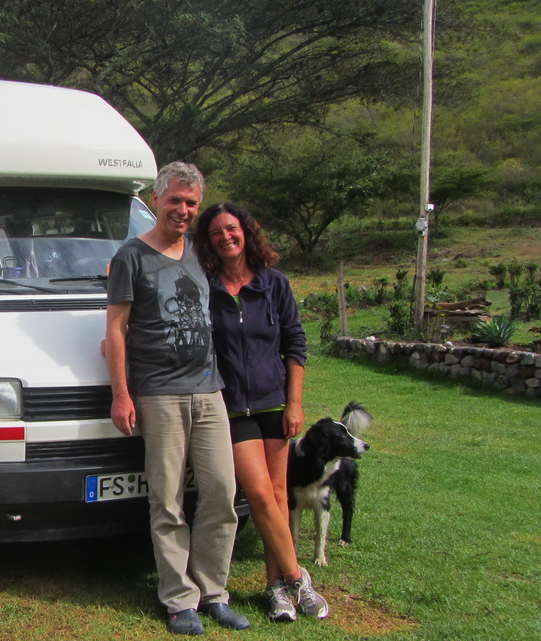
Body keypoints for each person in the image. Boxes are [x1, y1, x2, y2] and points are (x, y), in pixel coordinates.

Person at [105, 162, 248, 635]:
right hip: (159, 394)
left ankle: (213, 592)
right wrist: (121, 394)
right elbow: (116, 329)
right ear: (157, 198)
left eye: (191, 203)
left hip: (209, 391)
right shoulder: (131, 256)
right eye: (175, 201)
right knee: (166, 500)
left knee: (221, 493)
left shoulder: (199, 253)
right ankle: (179, 600)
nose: (183, 210)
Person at [193, 202, 329, 621]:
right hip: (232, 407)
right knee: (257, 494)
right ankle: (297, 578)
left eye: (231, 229)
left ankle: (275, 590)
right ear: (209, 242)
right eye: (216, 233)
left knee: (278, 495)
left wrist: (296, 403)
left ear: (246, 232)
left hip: (274, 403)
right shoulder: (206, 286)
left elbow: (295, 346)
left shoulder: (273, 283)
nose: (225, 237)